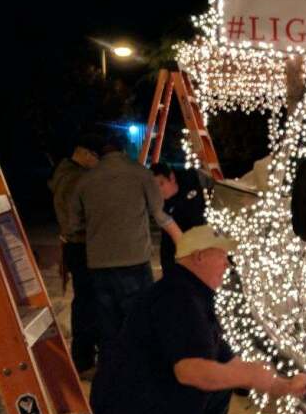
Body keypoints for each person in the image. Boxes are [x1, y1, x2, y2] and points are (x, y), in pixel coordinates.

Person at [91, 225, 306, 414]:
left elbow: (226, 359)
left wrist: (281, 385)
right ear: (198, 257)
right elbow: (191, 372)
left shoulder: (191, 294)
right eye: (221, 255)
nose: (227, 264)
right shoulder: (179, 300)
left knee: (220, 391)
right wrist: (251, 377)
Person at [67, 131, 183, 357]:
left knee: (108, 328)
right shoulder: (140, 175)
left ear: (99, 153)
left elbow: (73, 225)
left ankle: (112, 374)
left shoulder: (86, 180)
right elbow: (159, 214)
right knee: (140, 323)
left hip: (99, 264)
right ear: (123, 150)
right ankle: (139, 375)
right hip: (135, 262)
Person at [49, 133, 103, 374]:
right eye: (94, 156)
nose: (97, 162)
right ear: (82, 152)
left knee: (87, 302)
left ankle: (86, 357)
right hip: (81, 247)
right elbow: (74, 220)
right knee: (87, 304)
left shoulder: (66, 174)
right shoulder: (75, 178)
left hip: (77, 246)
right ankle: (83, 360)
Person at [151, 163, 207, 275]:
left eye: (161, 184)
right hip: (177, 240)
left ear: (171, 178)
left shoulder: (192, 180)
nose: (159, 190)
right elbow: (169, 241)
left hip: (203, 234)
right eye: (154, 187)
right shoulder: (159, 205)